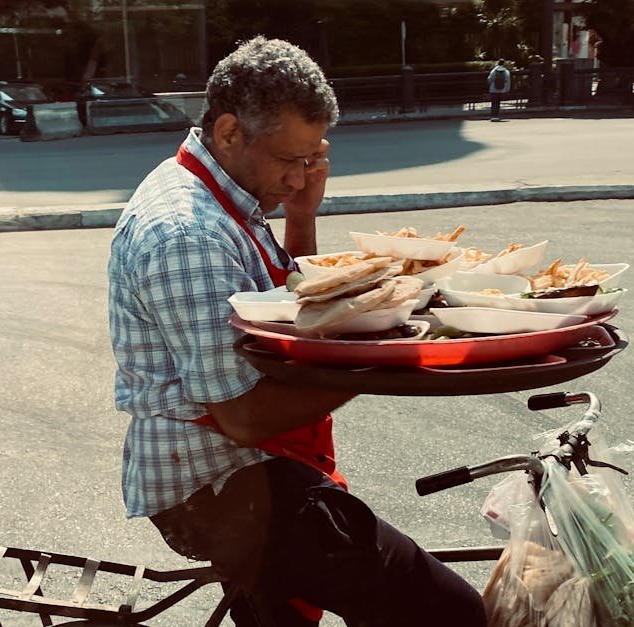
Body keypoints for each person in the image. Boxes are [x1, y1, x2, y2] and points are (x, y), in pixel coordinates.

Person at [107, 36, 485, 626]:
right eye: (290, 159)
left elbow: (290, 308)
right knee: (447, 611)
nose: (301, 173)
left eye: (313, 157)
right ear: (229, 132)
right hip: (217, 480)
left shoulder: (226, 190)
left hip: (245, 466)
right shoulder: (188, 233)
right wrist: (386, 354)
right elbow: (244, 415)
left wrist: (302, 216)